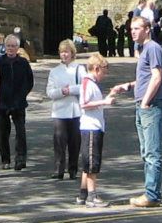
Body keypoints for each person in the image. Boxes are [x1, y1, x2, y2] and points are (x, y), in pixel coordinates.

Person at [115, 15, 162, 208]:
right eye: (131, 29)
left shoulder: (153, 48)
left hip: (151, 106)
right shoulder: (144, 49)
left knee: (152, 152)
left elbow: (156, 77)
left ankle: (152, 195)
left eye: (136, 28)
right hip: (144, 106)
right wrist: (128, 86)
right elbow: (146, 79)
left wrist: (145, 102)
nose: (133, 32)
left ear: (147, 29)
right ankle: (151, 192)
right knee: (146, 152)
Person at [75, 53, 124, 208]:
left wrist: (109, 96)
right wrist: (105, 101)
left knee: (87, 163)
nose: (105, 75)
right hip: (90, 127)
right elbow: (83, 104)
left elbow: (95, 103)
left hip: (95, 127)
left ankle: (83, 195)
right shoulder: (87, 83)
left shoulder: (91, 83)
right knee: (92, 163)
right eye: (104, 71)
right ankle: (92, 196)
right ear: (96, 69)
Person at [45, 39, 84, 180]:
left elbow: (85, 86)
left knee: (74, 141)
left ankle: (73, 169)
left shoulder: (80, 69)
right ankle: (58, 168)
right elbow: (50, 92)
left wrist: (71, 90)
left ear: (72, 53)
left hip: (75, 110)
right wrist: (62, 91)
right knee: (59, 140)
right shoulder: (54, 71)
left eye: (66, 52)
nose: (64, 55)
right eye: (62, 52)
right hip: (59, 111)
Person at [0, 34, 34, 171]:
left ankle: (20, 158)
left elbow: (30, 81)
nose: (11, 48)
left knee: (20, 132)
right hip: (2, 103)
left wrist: (22, 94)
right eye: (8, 46)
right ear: (5, 47)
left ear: (18, 48)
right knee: (1, 133)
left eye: (13, 46)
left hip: (18, 102)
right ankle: (5, 159)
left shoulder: (23, 63)